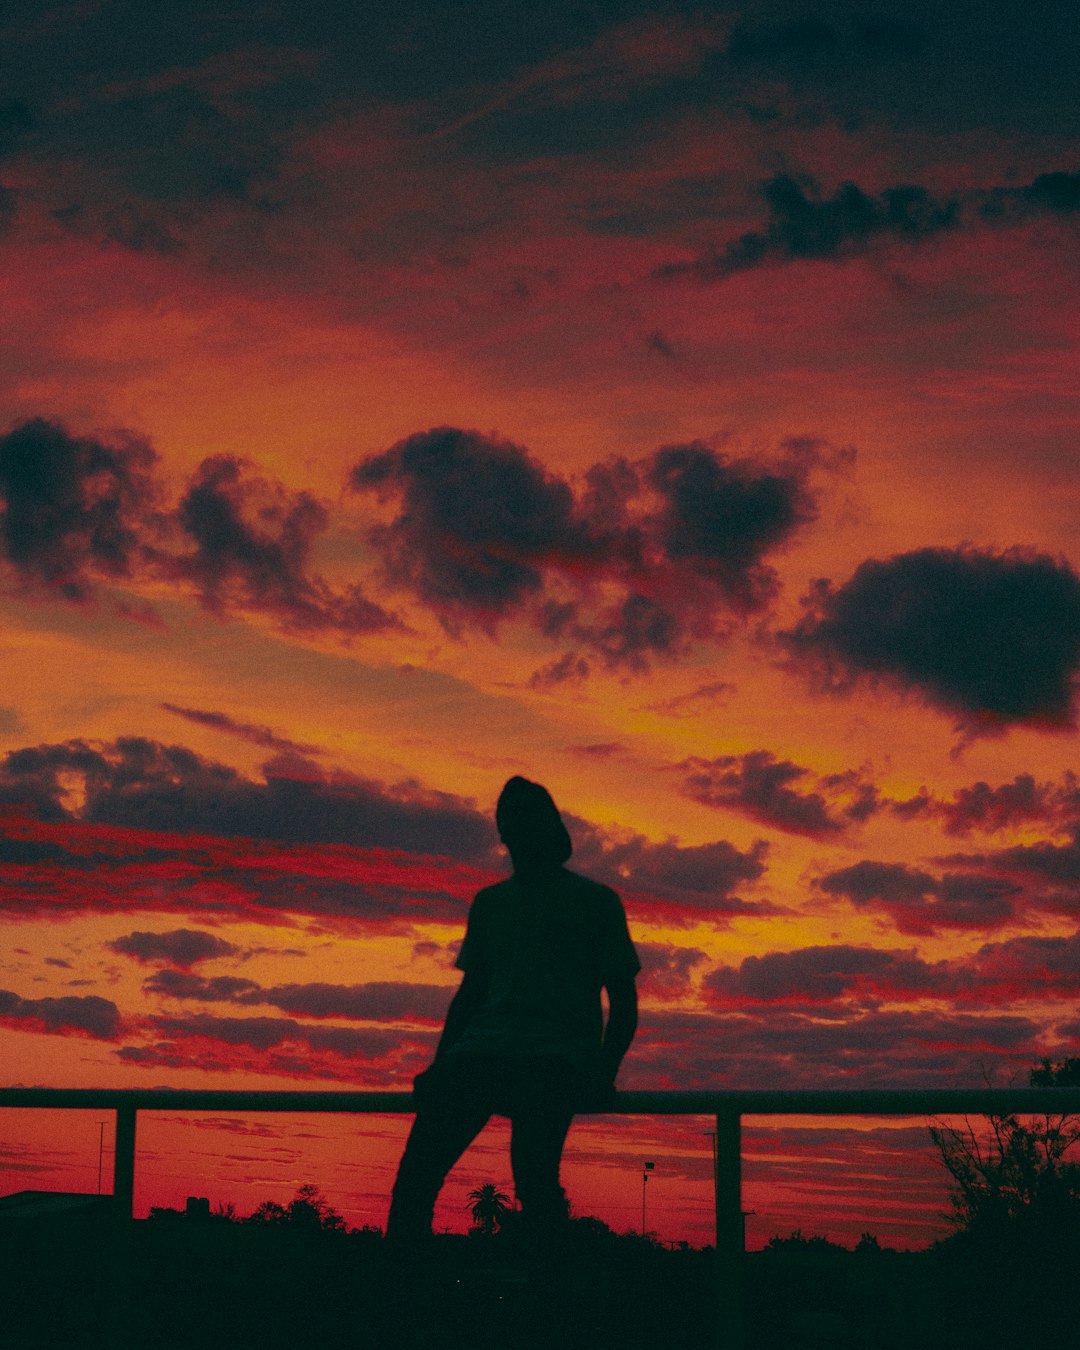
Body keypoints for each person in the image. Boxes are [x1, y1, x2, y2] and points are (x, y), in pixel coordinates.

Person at [387, 776, 639, 1243]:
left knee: (534, 1180)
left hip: (553, 1060)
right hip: (482, 1055)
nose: (519, 833)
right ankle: (404, 1295)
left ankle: (549, 1302)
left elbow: (623, 1000)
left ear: (551, 829)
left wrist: (603, 1072)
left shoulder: (597, 902)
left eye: (528, 822)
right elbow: (471, 995)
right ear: (504, 835)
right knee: (417, 1176)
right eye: (511, 824)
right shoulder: (491, 904)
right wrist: (442, 1065)